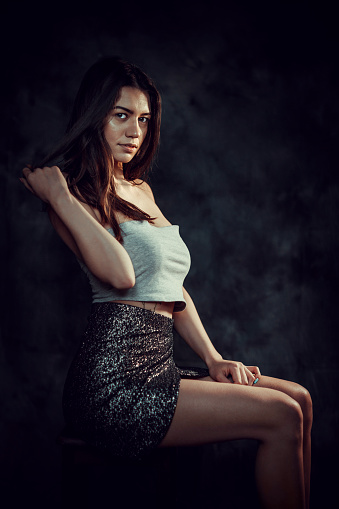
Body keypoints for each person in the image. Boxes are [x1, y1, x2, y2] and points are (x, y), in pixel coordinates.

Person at [20, 57, 312, 509]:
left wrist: (213, 359)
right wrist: (59, 194)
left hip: (157, 366)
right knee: (282, 415)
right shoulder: (74, 196)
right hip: (112, 384)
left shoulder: (140, 189)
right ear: (93, 115)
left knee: (300, 398)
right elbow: (121, 276)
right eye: (121, 115)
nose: (134, 131)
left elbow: (172, 288)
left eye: (143, 119)